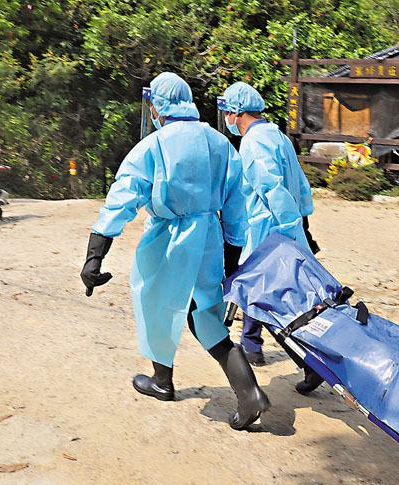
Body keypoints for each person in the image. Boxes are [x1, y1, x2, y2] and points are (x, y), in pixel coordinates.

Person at [80, 72, 270, 430]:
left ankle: (162, 381)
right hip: (209, 237)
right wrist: (231, 260)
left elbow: (123, 198)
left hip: (167, 238)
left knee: (153, 304)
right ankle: (249, 392)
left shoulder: (153, 145)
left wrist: (95, 254)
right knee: (206, 314)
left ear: (159, 106)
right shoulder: (220, 144)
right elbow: (236, 208)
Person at [220, 82, 325, 393]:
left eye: (227, 111)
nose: (225, 116)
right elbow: (300, 183)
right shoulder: (277, 135)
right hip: (286, 226)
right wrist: (301, 220)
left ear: (236, 113)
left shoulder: (252, 144)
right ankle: (251, 345)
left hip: (269, 231)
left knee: (270, 299)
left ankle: (309, 363)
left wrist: (291, 227)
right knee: (259, 293)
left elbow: (270, 188)